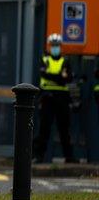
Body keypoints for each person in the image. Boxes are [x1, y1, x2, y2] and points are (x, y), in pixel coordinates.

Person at [33, 33, 75, 163]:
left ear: (60, 46)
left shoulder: (65, 61)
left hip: (62, 98)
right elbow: (45, 75)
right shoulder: (44, 59)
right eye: (53, 45)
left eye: (57, 45)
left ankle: (69, 157)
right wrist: (59, 77)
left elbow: (67, 79)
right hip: (47, 97)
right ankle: (39, 156)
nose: (55, 48)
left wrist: (52, 76)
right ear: (49, 46)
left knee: (64, 129)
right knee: (44, 129)